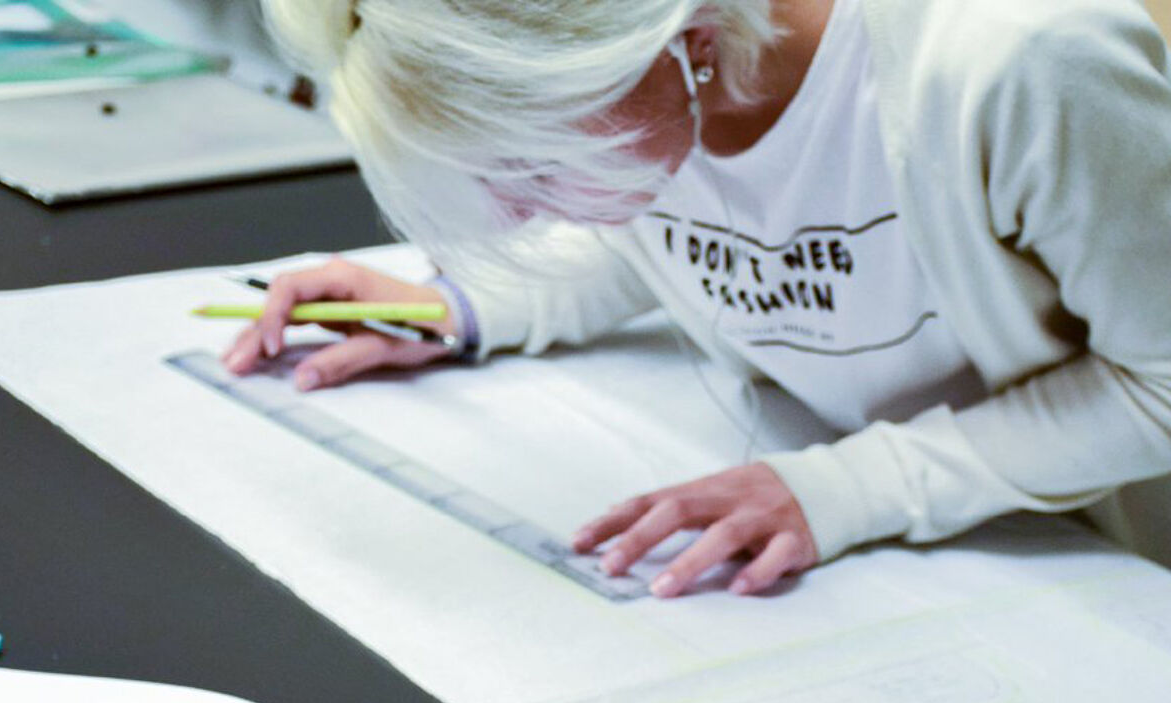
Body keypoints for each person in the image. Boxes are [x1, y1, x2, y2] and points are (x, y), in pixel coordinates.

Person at [223, 0, 1171, 598]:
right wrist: (464, 307)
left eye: (535, 162)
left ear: (688, 42)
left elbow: (1160, 385)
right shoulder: (659, 73)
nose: (516, 209)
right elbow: (689, 229)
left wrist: (844, 488)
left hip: (1094, 570)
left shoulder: (1021, 57)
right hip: (900, 563)